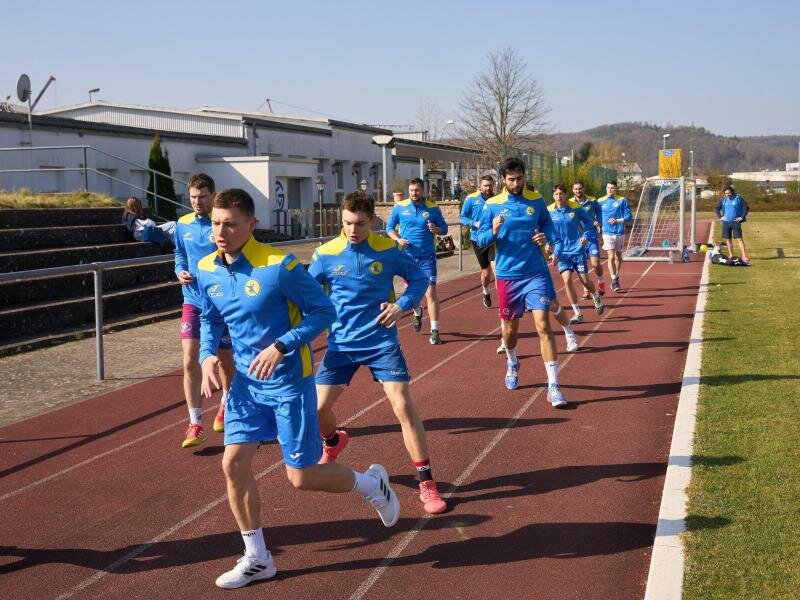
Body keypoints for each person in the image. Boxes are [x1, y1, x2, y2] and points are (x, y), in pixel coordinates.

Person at [197, 188, 400, 589]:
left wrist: (281, 345)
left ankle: (371, 484)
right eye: (216, 223)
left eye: (230, 224)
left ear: (251, 225)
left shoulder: (280, 266)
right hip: (245, 388)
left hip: (289, 384)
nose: (220, 231)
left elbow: (324, 311)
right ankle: (257, 557)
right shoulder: (206, 268)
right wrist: (206, 355)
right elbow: (210, 317)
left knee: (302, 477)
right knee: (232, 464)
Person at [309, 191, 447, 515]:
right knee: (316, 410)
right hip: (341, 344)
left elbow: (419, 280)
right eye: (346, 223)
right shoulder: (324, 254)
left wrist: (401, 306)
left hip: (381, 342)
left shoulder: (388, 250)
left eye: (359, 223)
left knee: (402, 405)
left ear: (372, 221)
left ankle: (426, 484)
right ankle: (332, 441)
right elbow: (305, 293)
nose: (352, 230)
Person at [474, 158, 578, 408]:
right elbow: (479, 239)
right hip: (508, 276)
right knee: (509, 332)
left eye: (519, 178)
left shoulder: (536, 201)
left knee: (543, 324)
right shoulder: (491, 205)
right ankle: (512, 362)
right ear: (503, 180)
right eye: (511, 179)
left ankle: (553, 385)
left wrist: (549, 241)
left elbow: (550, 229)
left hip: (536, 272)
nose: (516, 183)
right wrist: (494, 232)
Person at [173, 173, 235, 448]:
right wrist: (179, 270)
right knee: (189, 360)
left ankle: (225, 403)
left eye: (203, 196)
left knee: (223, 358)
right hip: (192, 301)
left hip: (221, 303)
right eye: (193, 197)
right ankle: (195, 422)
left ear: (212, 195)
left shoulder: (221, 223)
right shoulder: (182, 224)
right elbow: (179, 254)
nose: (198, 201)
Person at [386, 177, 449, 345]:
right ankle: (417, 311)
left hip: (427, 257)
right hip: (408, 257)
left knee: (430, 292)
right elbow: (389, 228)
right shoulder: (399, 207)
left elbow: (445, 229)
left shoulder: (433, 208)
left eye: (418, 190)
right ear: (409, 190)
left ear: (423, 190)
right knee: (412, 293)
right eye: (412, 190)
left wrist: (436, 229)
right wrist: (398, 239)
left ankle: (435, 330)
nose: (415, 193)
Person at [547, 184, 604, 323]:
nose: (559, 196)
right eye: (556, 194)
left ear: (566, 195)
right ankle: (578, 313)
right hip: (562, 253)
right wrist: (548, 243)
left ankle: (595, 294)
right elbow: (546, 228)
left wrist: (586, 235)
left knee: (584, 280)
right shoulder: (548, 211)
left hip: (577, 250)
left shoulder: (576, 207)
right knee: (566, 280)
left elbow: (589, 222)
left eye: (561, 193)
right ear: (553, 196)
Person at [460, 175, 496, 308]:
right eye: (485, 185)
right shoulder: (471, 199)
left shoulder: (496, 199)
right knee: (486, 271)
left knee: (497, 269)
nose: (488, 188)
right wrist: (473, 223)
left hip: (494, 238)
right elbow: (462, 217)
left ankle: (505, 299)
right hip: (477, 239)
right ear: (480, 186)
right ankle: (486, 291)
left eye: (490, 185)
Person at [569, 181, 606, 297]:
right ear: (572, 190)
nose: (578, 191)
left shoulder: (592, 200)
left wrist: (598, 221)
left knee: (595, 264)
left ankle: (601, 280)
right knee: (582, 266)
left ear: (583, 189)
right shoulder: (569, 203)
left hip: (591, 236)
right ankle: (587, 290)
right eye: (575, 189)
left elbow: (599, 211)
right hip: (578, 239)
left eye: (580, 188)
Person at [597, 181, 632, 292]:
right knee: (611, 257)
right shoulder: (600, 201)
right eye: (608, 187)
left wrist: (618, 220)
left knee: (618, 257)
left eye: (612, 188)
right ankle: (614, 279)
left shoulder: (622, 200)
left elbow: (629, 216)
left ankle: (616, 275)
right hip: (607, 233)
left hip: (619, 232)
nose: (609, 190)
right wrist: (597, 223)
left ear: (616, 189)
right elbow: (596, 215)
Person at [715, 185, 750, 264]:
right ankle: (731, 255)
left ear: (732, 192)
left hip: (735, 222)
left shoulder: (738, 198)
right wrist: (720, 217)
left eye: (729, 193)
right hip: (726, 223)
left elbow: (746, 207)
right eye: (726, 193)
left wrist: (742, 217)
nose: (728, 195)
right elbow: (716, 208)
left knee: (739, 239)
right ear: (724, 194)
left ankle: (744, 256)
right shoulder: (723, 200)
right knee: (728, 239)